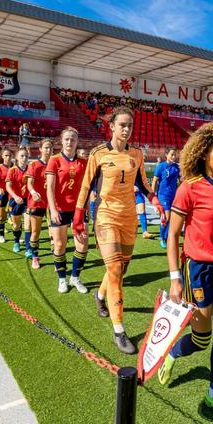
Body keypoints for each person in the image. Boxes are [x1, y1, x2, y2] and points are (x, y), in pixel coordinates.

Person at [157, 122, 213, 419]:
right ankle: (173, 353)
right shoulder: (189, 188)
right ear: (204, 153)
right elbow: (172, 236)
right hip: (198, 270)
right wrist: (175, 279)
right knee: (201, 338)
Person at [74, 106, 162, 354]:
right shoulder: (98, 153)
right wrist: (78, 216)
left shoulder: (136, 154)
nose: (126, 129)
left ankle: (100, 297)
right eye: (122, 124)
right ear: (111, 126)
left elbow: (143, 183)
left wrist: (155, 201)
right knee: (114, 269)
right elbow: (85, 185)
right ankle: (119, 331)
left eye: (130, 125)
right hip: (105, 217)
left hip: (129, 218)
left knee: (119, 269)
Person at [46, 128, 90, 294]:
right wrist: (53, 209)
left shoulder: (84, 163)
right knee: (59, 245)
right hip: (60, 209)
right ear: (61, 141)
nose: (70, 142)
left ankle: (75, 277)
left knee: (82, 244)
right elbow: (49, 188)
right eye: (67, 139)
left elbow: (86, 188)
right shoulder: (54, 160)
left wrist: (87, 208)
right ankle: (62, 279)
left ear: (77, 142)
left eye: (73, 139)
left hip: (79, 209)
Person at [24, 140, 54, 269]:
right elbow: (29, 183)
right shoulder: (34, 165)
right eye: (46, 147)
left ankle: (57, 259)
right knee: (35, 231)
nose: (48, 150)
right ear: (40, 149)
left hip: (52, 203)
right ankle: (35, 257)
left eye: (50, 148)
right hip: (37, 203)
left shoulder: (55, 164)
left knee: (54, 232)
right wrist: (33, 192)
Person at [151, 147, 180, 249]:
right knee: (166, 217)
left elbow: (181, 181)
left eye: (175, 154)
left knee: (172, 219)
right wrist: (153, 196)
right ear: (166, 155)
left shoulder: (177, 167)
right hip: (163, 196)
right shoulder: (161, 166)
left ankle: (167, 237)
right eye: (172, 154)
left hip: (174, 196)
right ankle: (163, 238)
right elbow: (154, 181)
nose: (174, 156)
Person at [3, 147, 30, 255]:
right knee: (16, 225)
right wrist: (15, 196)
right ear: (17, 158)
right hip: (15, 200)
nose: (24, 158)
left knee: (29, 225)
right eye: (22, 156)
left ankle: (29, 249)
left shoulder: (30, 169)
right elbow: (8, 186)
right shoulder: (12, 170)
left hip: (28, 200)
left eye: (26, 156)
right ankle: (16, 241)